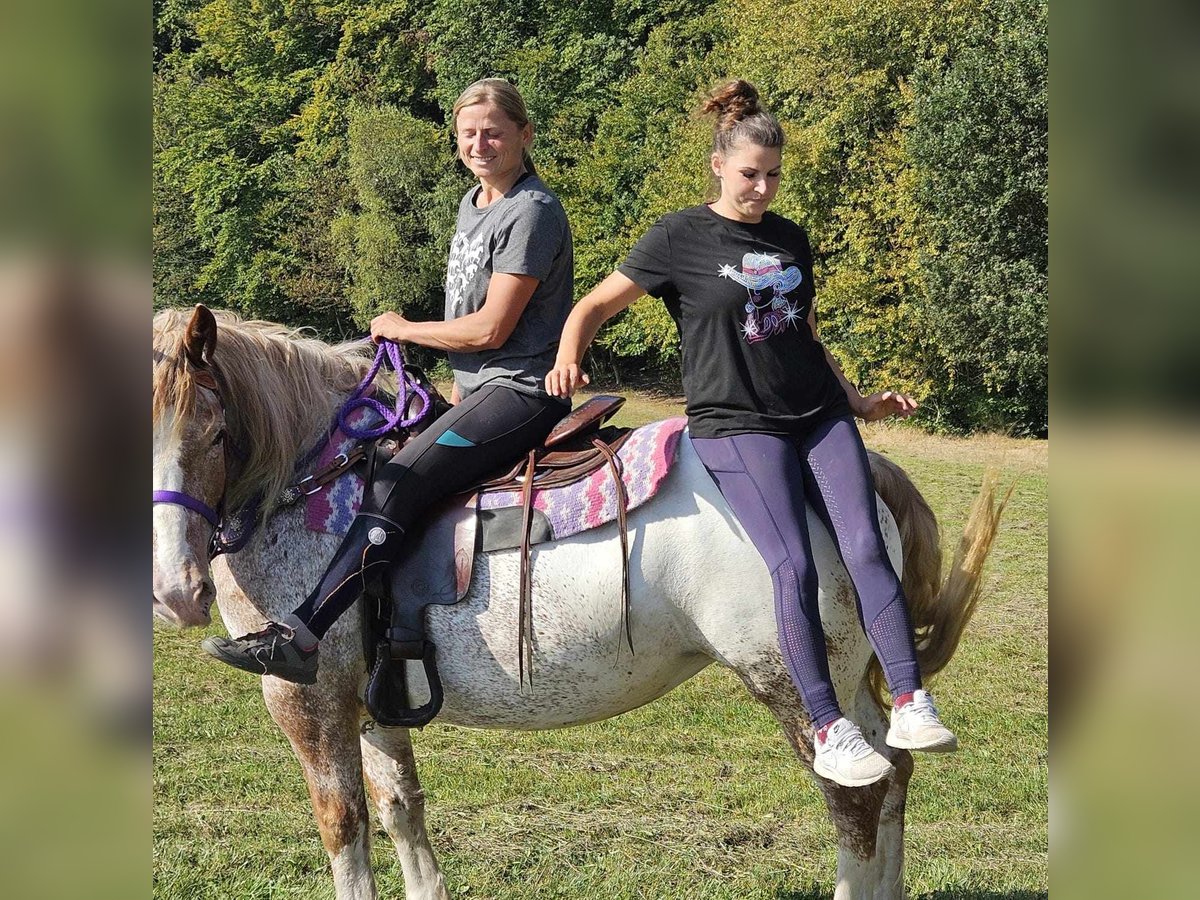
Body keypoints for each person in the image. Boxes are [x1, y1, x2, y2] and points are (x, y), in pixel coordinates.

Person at [545, 80, 955, 789]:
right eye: (748, 174)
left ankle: (912, 700)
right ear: (718, 166)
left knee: (865, 546)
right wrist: (568, 354)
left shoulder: (790, 238)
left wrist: (857, 400)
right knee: (792, 565)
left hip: (818, 414)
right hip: (737, 425)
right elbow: (596, 303)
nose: (761, 188)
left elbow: (804, 332)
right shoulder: (678, 237)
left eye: (772, 176)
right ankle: (828, 728)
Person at [203, 78, 573, 684]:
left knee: (397, 484)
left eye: (494, 133)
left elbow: (490, 330)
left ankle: (303, 634)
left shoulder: (530, 212)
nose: (480, 144)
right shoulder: (474, 204)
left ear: (524, 136)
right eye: (469, 133)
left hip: (521, 392)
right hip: (480, 392)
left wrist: (404, 327)